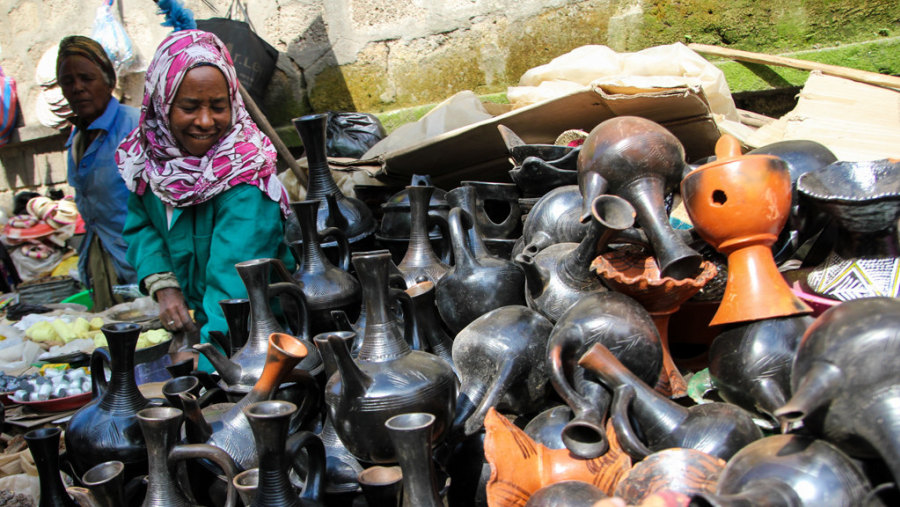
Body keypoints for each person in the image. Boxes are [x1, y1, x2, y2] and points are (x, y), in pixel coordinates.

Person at [116, 30, 294, 370]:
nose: (205, 121)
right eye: (189, 106)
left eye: (218, 106)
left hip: (255, 339)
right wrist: (164, 285)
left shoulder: (246, 179)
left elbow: (234, 295)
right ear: (161, 103)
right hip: (206, 326)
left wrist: (205, 370)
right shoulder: (147, 164)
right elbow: (141, 227)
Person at [57, 36, 139, 309]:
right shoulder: (78, 139)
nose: (77, 88)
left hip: (140, 266)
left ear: (109, 81)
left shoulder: (134, 128)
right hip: (101, 266)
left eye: (86, 78)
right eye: (68, 81)